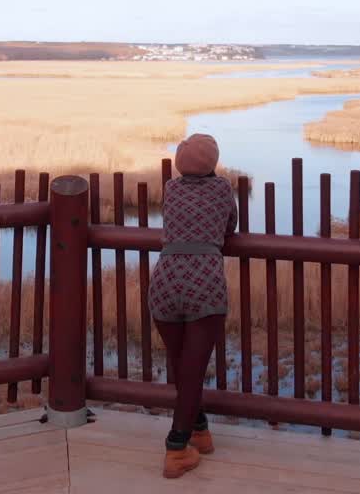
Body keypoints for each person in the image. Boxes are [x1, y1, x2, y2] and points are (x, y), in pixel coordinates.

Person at [148, 133, 237, 478]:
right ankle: (176, 448)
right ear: (212, 162)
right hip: (204, 280)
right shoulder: (221, 189)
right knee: (193, 369)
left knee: (183, 364)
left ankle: (199, 432)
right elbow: (231, 225)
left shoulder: (171, 190)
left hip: (165, 279)